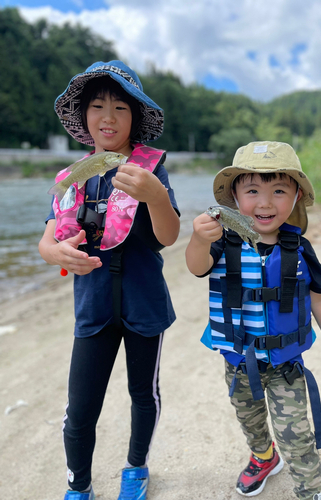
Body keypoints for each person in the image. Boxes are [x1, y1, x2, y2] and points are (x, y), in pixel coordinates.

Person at [39, 60, 180, 500]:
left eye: (121, 107)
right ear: (83, 118)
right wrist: (55, 252)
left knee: (144, 395)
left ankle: (136, 468)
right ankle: (78, 486)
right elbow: (47, 241)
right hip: (94, 309)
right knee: (80, 410)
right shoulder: (73, 177)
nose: (108, 116)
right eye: (98, 106)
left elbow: (168, 235)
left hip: (144, 304)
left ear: (134, 118)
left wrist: (155, 196)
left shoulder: (149, 170)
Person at [185, 141, 321, 500]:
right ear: (234, 196)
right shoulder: (222, 242)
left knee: (297, 434)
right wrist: (197, 238)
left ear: (296, 196)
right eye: (253, 190)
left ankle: (311, 491)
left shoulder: (299, 248)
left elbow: (319, 298)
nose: (265, 202)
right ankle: (263, 456)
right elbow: (196, 267)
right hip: (237, 361)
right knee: (251, 421)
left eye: (278, 191)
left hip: (285, 364)